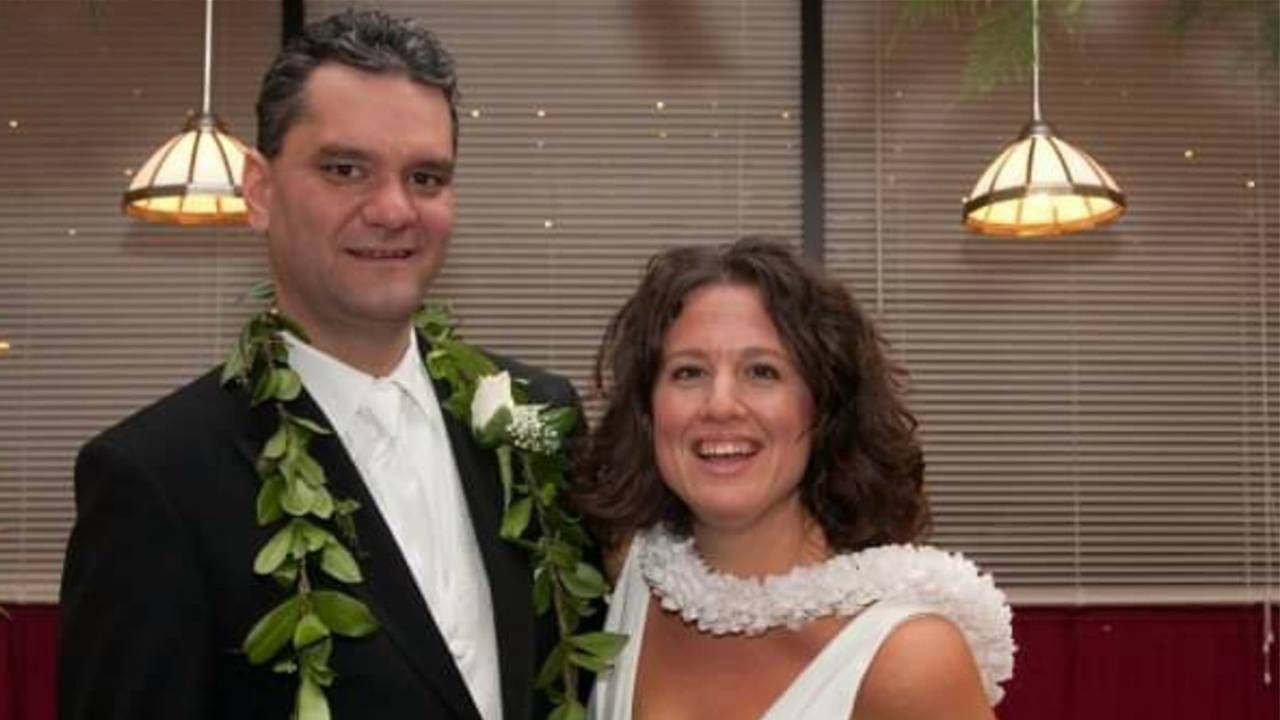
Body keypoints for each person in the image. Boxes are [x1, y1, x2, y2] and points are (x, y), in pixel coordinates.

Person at [58, 10, 575, 720]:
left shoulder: (536, 420)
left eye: (426, 177)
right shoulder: (157, 480)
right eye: (345, 169)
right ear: (261, 193)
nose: (394, 209)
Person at [577, 237, 1014, 719]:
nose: (720, 404)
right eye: (688, 373)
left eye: (762, 371)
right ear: (648, 410)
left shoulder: (909, 658)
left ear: (826, 406)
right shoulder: (628, 574)